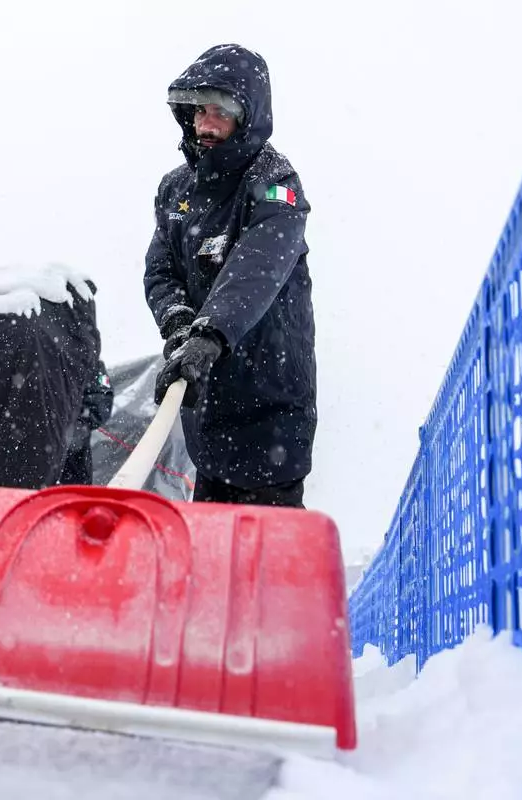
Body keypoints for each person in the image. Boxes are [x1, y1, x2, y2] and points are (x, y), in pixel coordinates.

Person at [143, 43, 317, 508]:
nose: (206, 123)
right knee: (211, 560)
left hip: (270, 414)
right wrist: (180, 325)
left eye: (221, 110)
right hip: (208, 413)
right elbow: (160, 268)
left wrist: (211, 334)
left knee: (265, 563)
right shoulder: (176, 190)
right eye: (199, 110)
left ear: (249, 115)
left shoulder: (276, 184)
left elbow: (258, 266)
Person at [57, 360, 114, 485]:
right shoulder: (25, 354)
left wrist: (74, 426)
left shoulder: (85, 355)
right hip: (22, 467)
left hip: (71, 470)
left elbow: (102, 403)